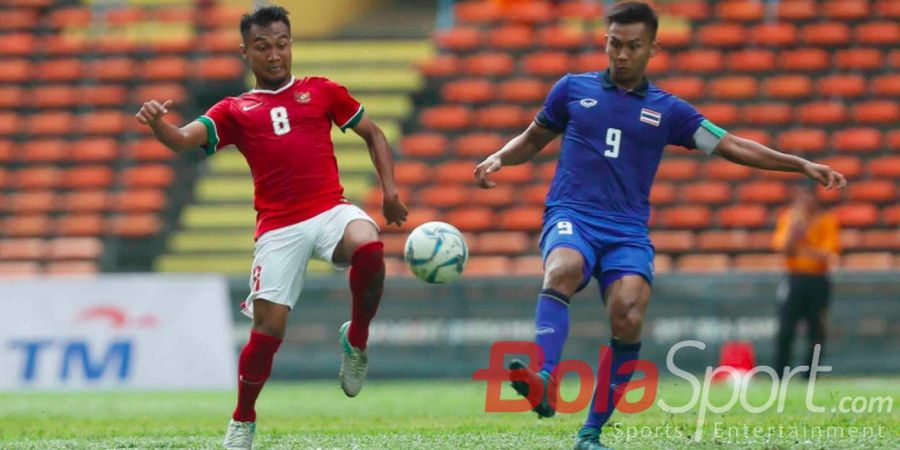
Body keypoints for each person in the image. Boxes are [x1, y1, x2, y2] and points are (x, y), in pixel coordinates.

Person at [472, 2, 847, 449]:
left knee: (629, 314)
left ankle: (590, 433)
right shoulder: (572, 90)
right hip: (573, 214)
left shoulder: (669, 111)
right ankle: (546, 376)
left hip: (627, 230)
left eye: (633, 46)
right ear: (605, 41)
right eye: (615, 44)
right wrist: (500, 156)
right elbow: (532, 139)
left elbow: (732, 145)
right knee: (562, 269)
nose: (622, 54)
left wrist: (800, 164)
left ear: (653, 48)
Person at [134, 6, 408, 450]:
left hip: (329, 211)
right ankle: (243, 419)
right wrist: (158, 125)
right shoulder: (234, 110)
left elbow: (374, 134)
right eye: (263, 47)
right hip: (280, 229)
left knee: (370, 248)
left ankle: (356, 339)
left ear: (291, 44)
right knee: (269, 331)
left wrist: (389, 191)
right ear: (246, 52)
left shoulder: (321, 91)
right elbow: (184, 140)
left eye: (282, 44)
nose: (275, 54)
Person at [772, 184, 839, 373]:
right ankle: (779, 373)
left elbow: (829, 255)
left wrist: (803, 250)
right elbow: (783, 248)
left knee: (816, 331)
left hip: (817, 280)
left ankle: (811, 375)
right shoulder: (789, 219)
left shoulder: (827, 220)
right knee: (786, 328)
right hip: (794, 279)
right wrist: (795, 233)